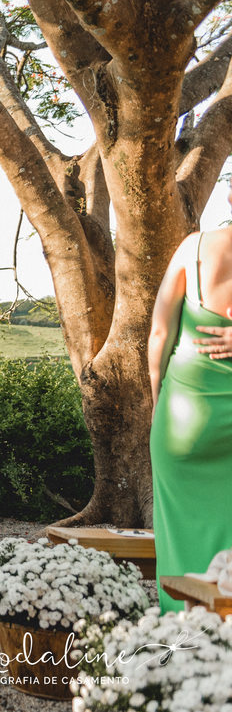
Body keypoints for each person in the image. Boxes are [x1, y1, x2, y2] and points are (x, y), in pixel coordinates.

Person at [147, 220, 232, 611]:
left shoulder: (193, 248)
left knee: (178, 534)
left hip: (183, 417)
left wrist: (156, 401)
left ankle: (182, 651)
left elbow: (160, 336)